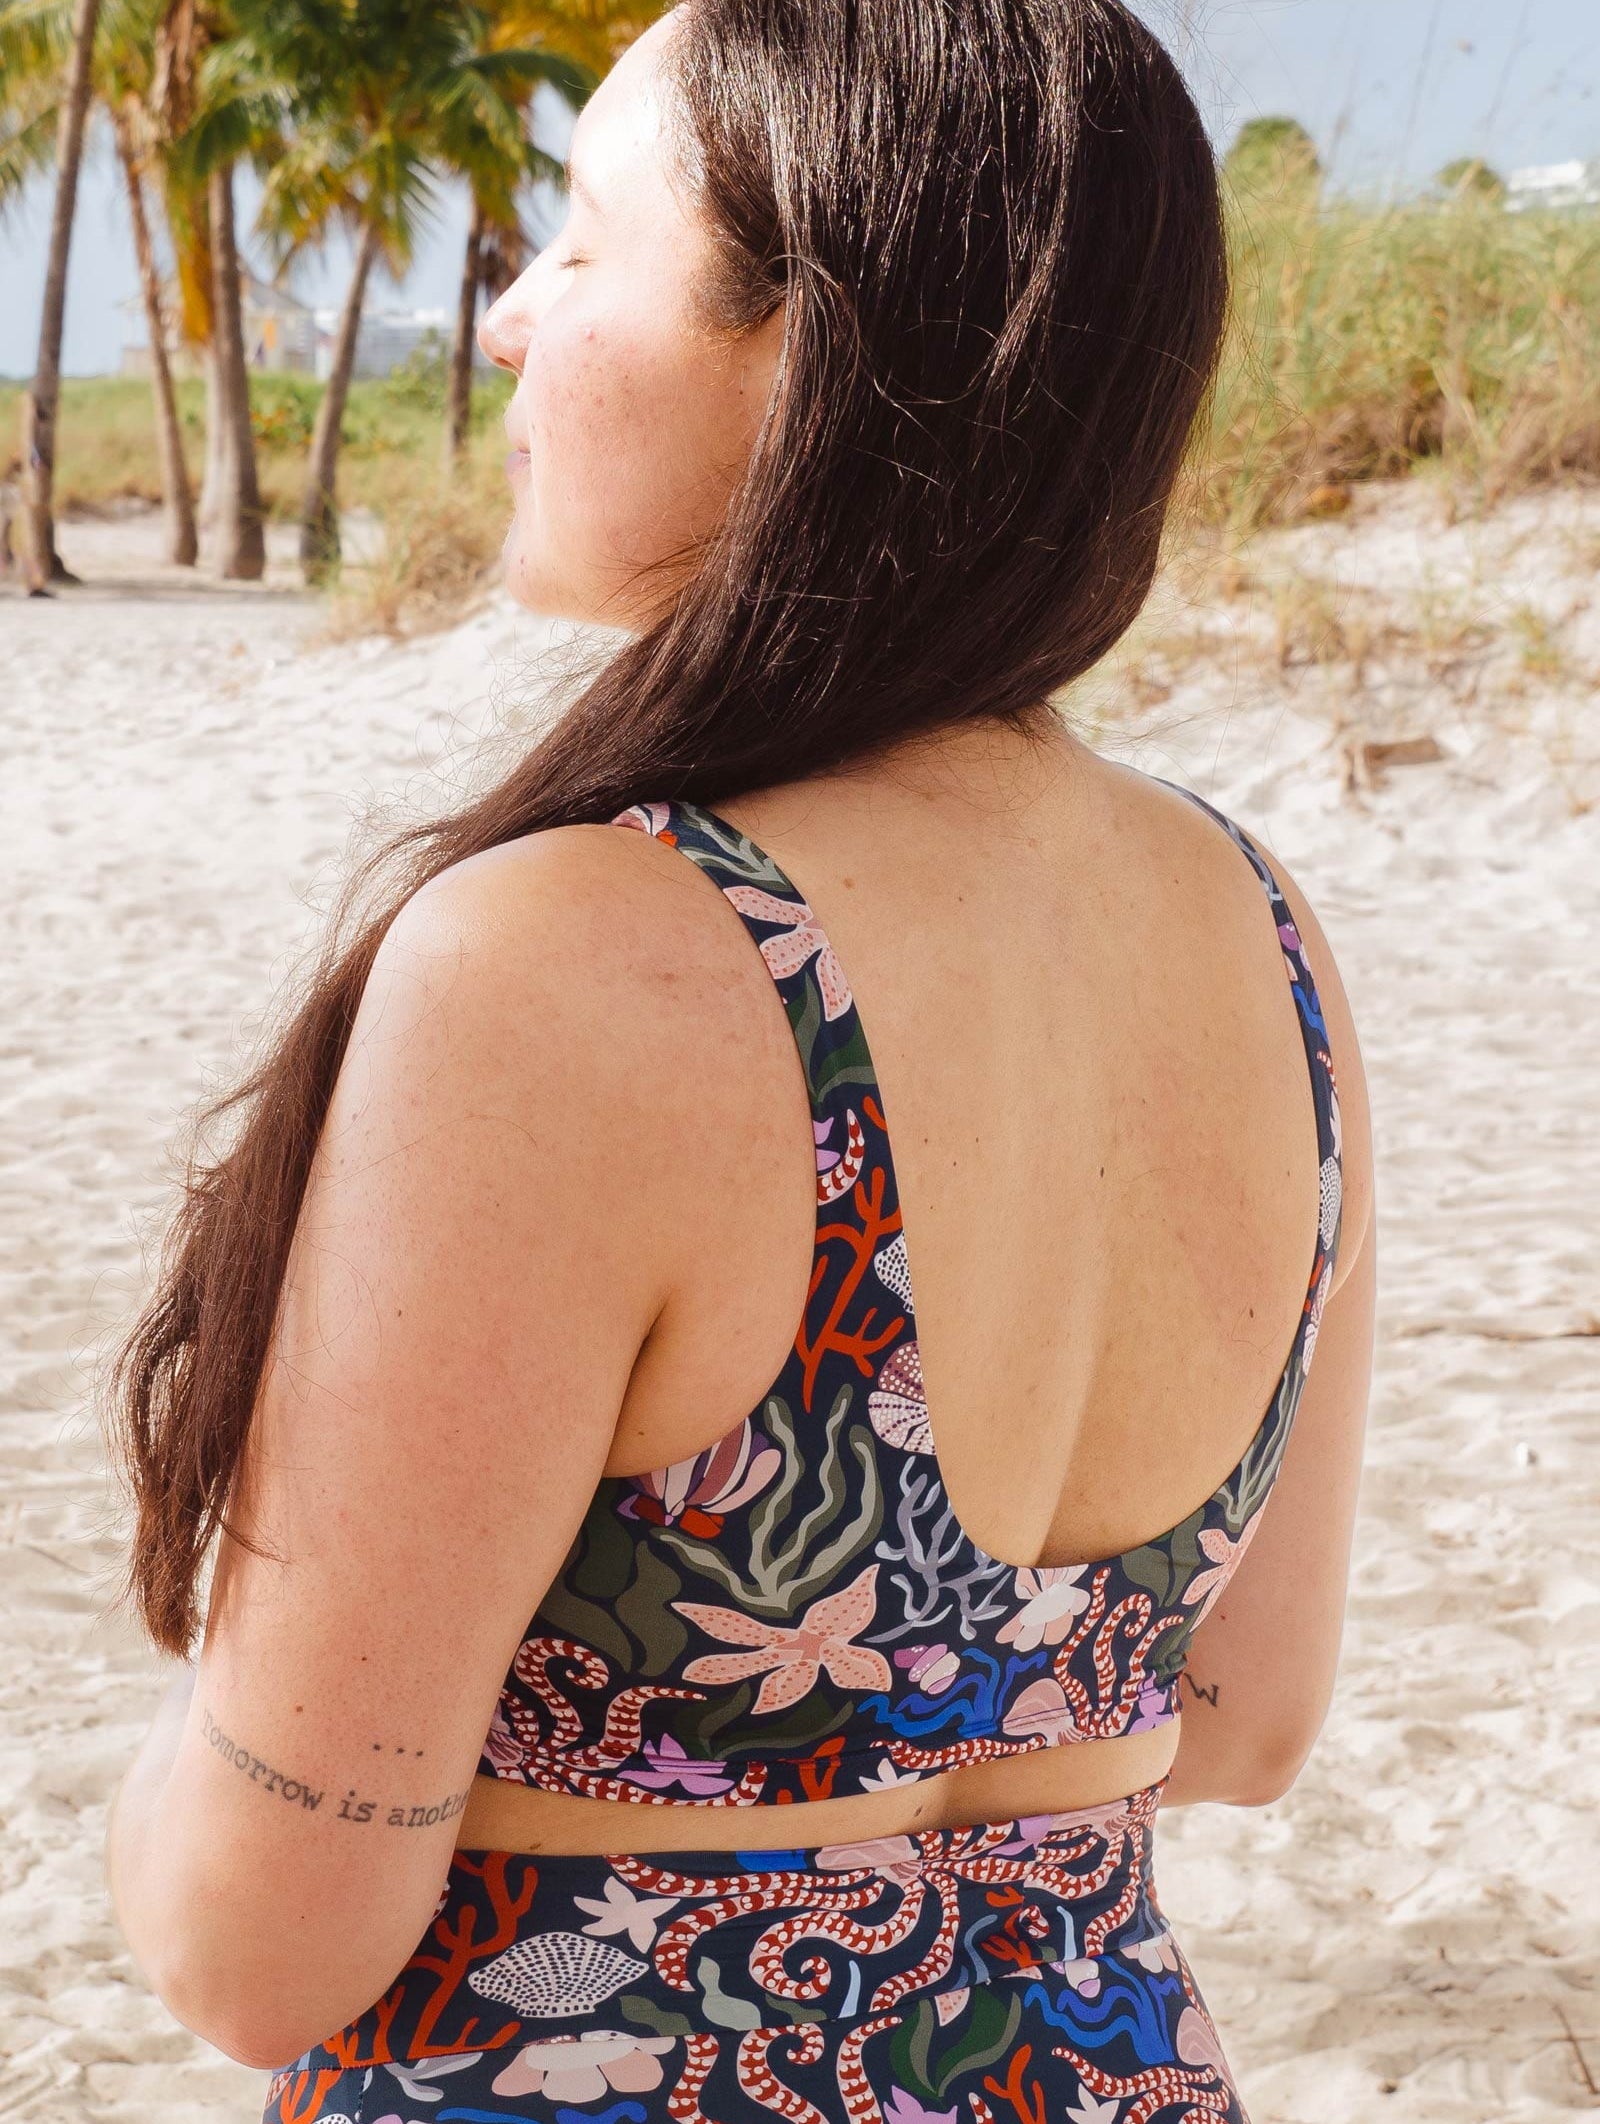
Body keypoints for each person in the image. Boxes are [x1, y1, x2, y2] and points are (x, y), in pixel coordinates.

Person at [103, 4, 1376, 2120]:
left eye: (585, 242)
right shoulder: (1255, 932)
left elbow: (258, 1940)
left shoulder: (577, 965)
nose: (507, 320)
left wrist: (183, 1772)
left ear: (814, 344)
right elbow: (1234, 1718)